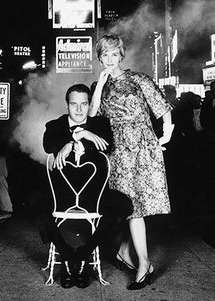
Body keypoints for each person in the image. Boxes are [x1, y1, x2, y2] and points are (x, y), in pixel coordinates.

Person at [89, 34, 174, 290]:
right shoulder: (101, 85)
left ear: (121, 55)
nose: (110, 59)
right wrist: (101, 86)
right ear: (100, 57)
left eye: (114, 54)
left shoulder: (139, 79)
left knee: (137, 206)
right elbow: (92, 117)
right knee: (129, 206)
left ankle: (141, 262)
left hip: (144, 148)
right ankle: (130, 256)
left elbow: (163, 107)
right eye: (105, 54)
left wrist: (165, 133)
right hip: (119, 152)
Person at [34, 84, 133, 289]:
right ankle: (68, 254)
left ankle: (85, 254)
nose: (79, 110)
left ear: (89, 105)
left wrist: (84, 135)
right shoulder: (55, 125)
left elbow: (109, 146)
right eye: (74, 104)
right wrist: (73, 138)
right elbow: (47, 145)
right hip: (62, 194)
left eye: (84, 104)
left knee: (124, 205)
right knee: (33, 201)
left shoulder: (101, 124)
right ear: (67, 105)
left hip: (93, 195)